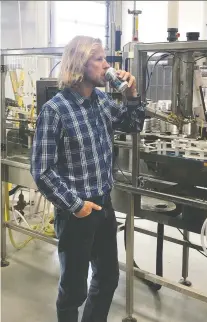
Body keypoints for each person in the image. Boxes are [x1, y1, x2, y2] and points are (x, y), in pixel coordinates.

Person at [31, 35, 145, 322]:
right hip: (76, 213)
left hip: (103, 207)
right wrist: (75, 205)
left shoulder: (102, 101)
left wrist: (131, 96)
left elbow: (132, 125)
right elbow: (42, 170)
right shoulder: (55, 110)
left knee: (107, 279)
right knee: (73, 291)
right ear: (79, 65)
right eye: (99, 59)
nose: (107, 65)